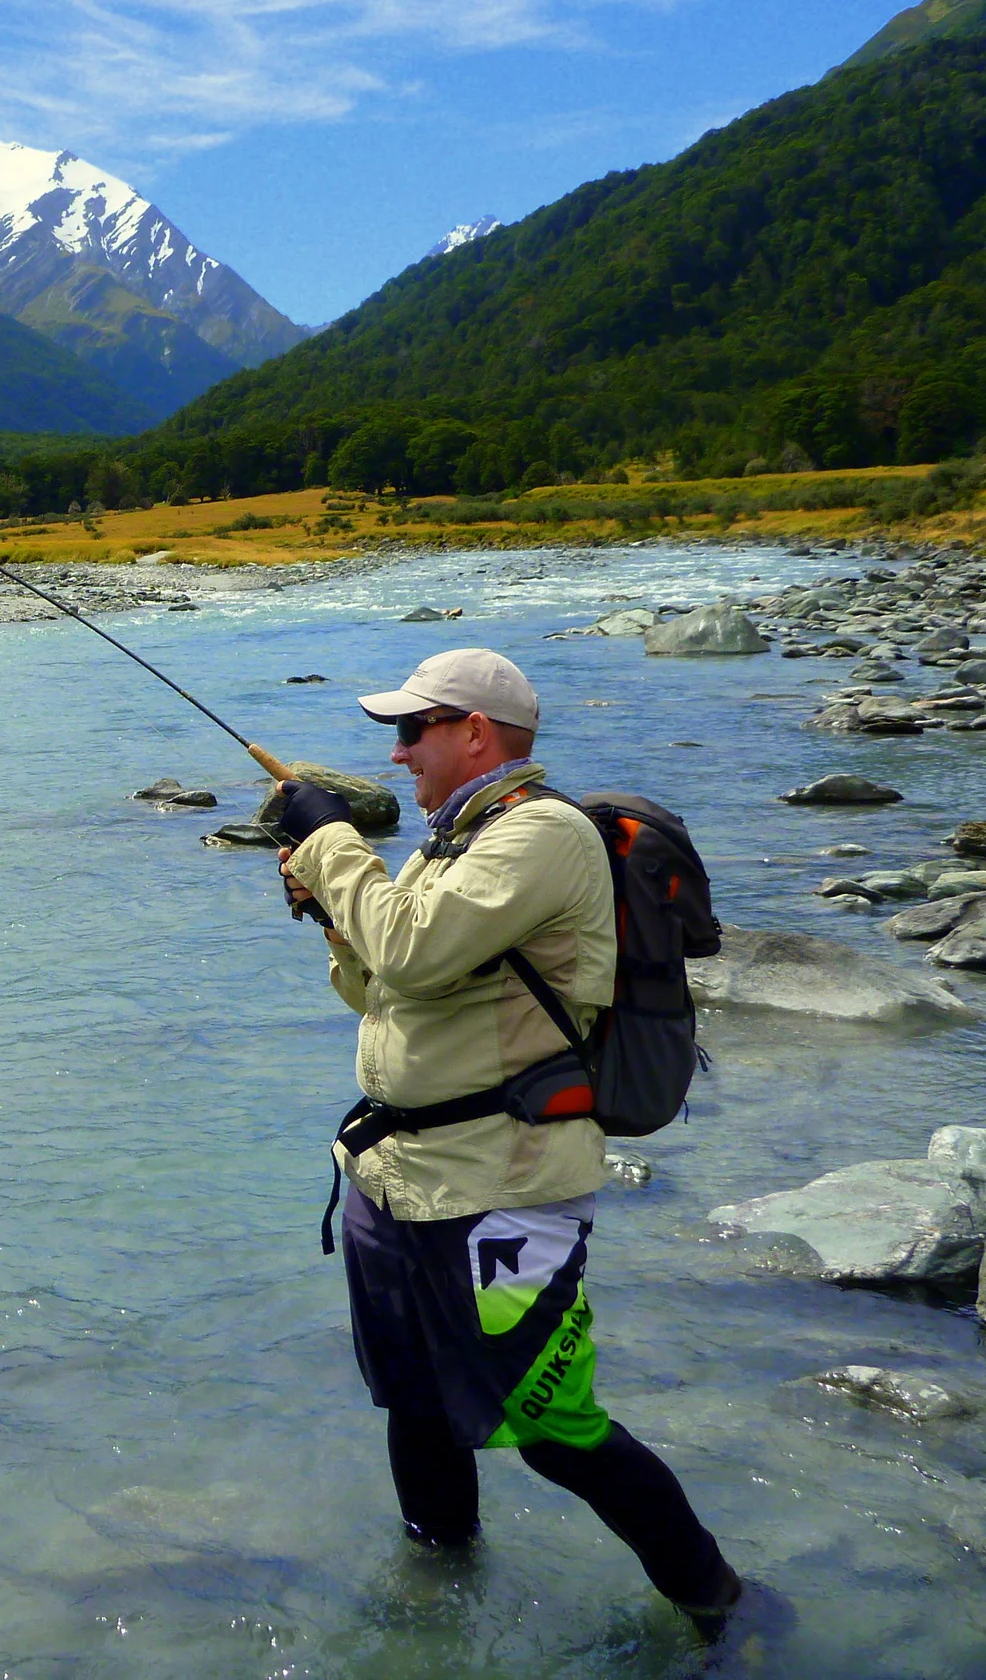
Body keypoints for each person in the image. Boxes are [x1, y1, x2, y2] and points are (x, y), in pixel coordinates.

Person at [269, 646, 748, 1637]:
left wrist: (330, 846)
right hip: (395, 1181)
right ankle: (433, 1613)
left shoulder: (542, 836)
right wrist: (332, 922)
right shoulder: (452, 843)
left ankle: (717, 1603)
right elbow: (385, 984)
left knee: (554, 1431)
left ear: (474, 732)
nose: (397, 755)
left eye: (412, 730)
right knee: (413, 1404)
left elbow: (409, 946)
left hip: (501, 1188)